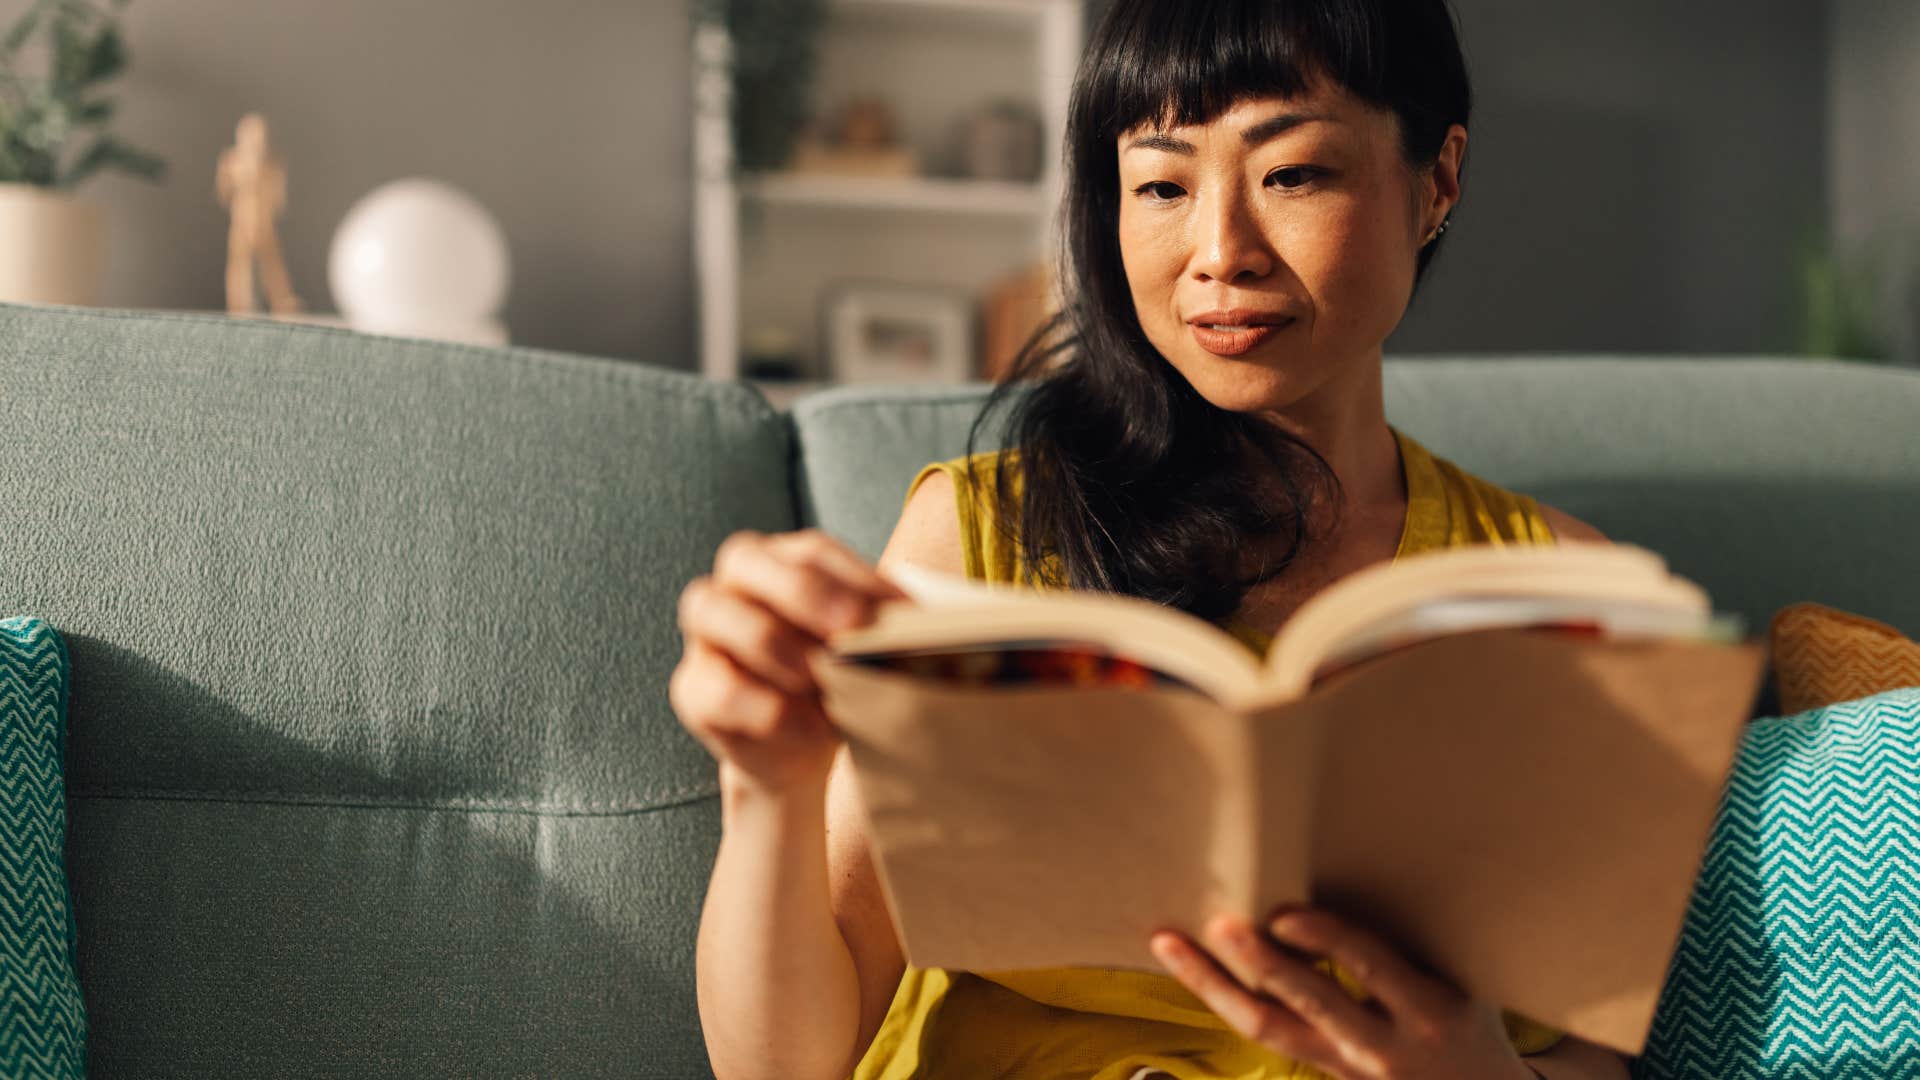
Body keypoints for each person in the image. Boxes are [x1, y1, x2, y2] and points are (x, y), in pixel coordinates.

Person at [671, 0, 1631, 1076]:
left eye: (1293, 174)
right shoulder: (981, 540)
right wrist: (766, 790)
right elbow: (783, 1066)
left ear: (1437, 180)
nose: (1220, 253)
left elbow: (1591, 1053)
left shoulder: (1560, 592)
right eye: (1163, 185)